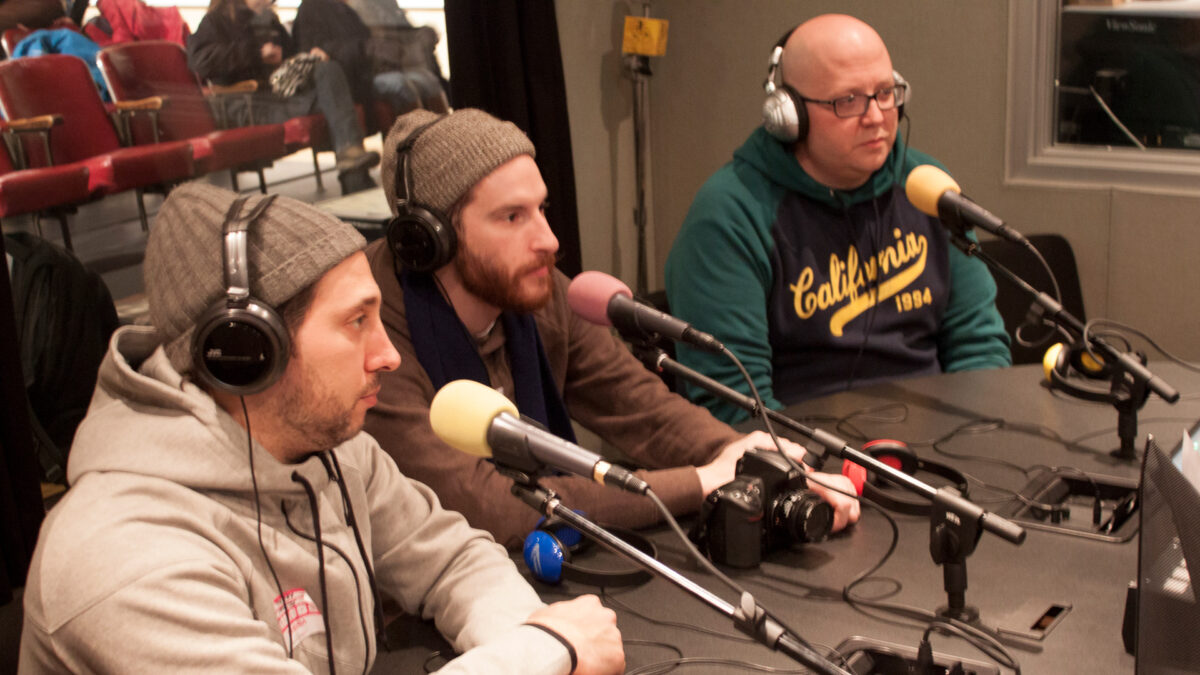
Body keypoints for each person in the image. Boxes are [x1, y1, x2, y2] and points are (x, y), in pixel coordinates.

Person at [19, 182, 624, 674]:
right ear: (248, 352)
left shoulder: (333, 451)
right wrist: (545, 650)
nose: (388, 355)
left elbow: (451, 559)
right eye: (357, 322)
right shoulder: (122, 554)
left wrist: (528, 634)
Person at [362, 108, 859, 550]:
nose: (548, 240)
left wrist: (747, 459)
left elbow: (640, 406)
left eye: (542, 209)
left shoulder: (540, 290)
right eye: (512, 217)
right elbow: (486, 506)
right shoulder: (370, 337)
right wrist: (702, 481)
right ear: (431, 239)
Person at [665, 14, 1011, 424]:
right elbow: (737, 403)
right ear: (789, 114)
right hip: (802, 456)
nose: (877, 116)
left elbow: (980, 346)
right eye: (848, 100)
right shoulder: (729, 214)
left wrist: (976, 440)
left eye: (886, 93)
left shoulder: (926, 186)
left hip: (939, 449)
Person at [187, 0, 379, 194]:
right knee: (336, 101)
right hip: (246, 104)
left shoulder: (269, 21)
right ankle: (355, 179)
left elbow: (291, 56)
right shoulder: (217, 21)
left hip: (278, 97)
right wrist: (256, 54)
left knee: (328, 71)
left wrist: (308, 57)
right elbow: (200, 60)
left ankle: (353, 169)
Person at [291, 0, 448, 118]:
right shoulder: (312, 7)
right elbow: (315, 51)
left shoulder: (349, 8)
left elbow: (386, 35)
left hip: (376, 68)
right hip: (354, 79)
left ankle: (447, 138)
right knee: (400, 85)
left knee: (427, 80)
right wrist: (365, 48)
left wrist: (421, 33)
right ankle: (417, 146)